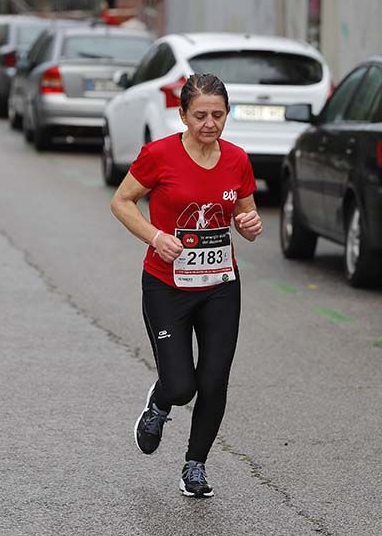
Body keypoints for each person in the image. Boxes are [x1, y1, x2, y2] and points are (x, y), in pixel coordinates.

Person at [110, 73, 263, 498]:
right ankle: (160, 403)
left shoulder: (237, 159)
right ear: (182, 115)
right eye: (200, 115)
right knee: (182, 386)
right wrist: (155, 237)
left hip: (219, 287)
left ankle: (195, 466)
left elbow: (245, 216)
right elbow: (121, 201)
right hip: (166, 286)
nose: (209, 123)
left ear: (227, 114)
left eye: (218, 114)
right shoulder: (159, 156)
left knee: (214, 381)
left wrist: (249, 225)